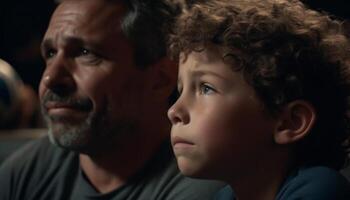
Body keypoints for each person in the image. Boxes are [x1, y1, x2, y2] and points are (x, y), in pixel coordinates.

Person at [0, 0, 224, 199]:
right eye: (50, 53)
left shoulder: (206, 187)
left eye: (86, 53)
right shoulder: (24, 173)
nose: (50, 78)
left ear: (161, 80)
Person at [167, 0, 350, 199]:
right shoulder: (224, 197)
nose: (174, 111)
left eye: (206, 88)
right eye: (180, 90)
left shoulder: (322, 189)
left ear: (290, 122)